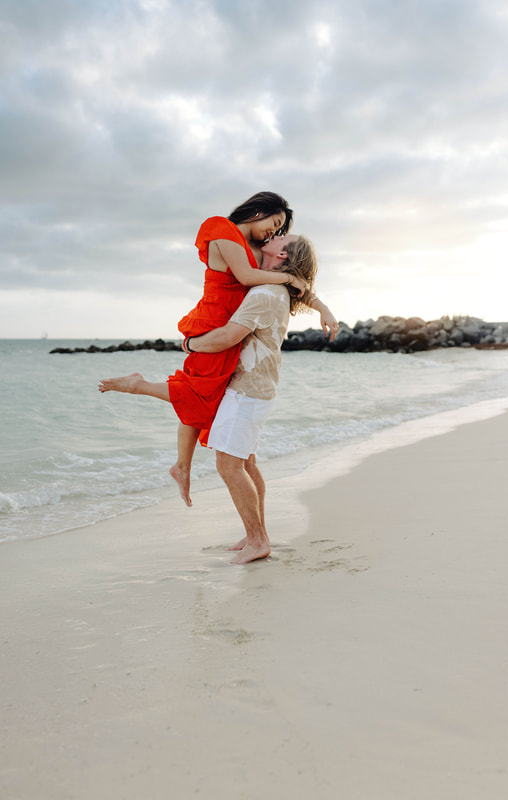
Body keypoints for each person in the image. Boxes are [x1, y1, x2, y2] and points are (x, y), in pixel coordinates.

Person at [100, 193, 338, 507]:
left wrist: (322, 307)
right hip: (215, 325)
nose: (273, 233)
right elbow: (247, 277)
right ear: (257, 211)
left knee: (204, 397)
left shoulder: (257, 248)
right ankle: (140, 390)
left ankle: (181, 466)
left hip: (233, 329)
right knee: (199, 392)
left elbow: (292, 279)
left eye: (280, 230)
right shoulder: (221, 229)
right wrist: (288, 278)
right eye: (274, 223)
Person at [99, 233, 324, 564]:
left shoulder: (264, 293)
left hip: (247, 391)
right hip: (256, 388)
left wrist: (190, 345)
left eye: (281, 237)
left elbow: (228, 336)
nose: (274, 235)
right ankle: (256, 533)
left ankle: (258, 540)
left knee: (229, 466)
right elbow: (302, 292)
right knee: (245, 463)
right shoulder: (276, 289)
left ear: (283, 255)